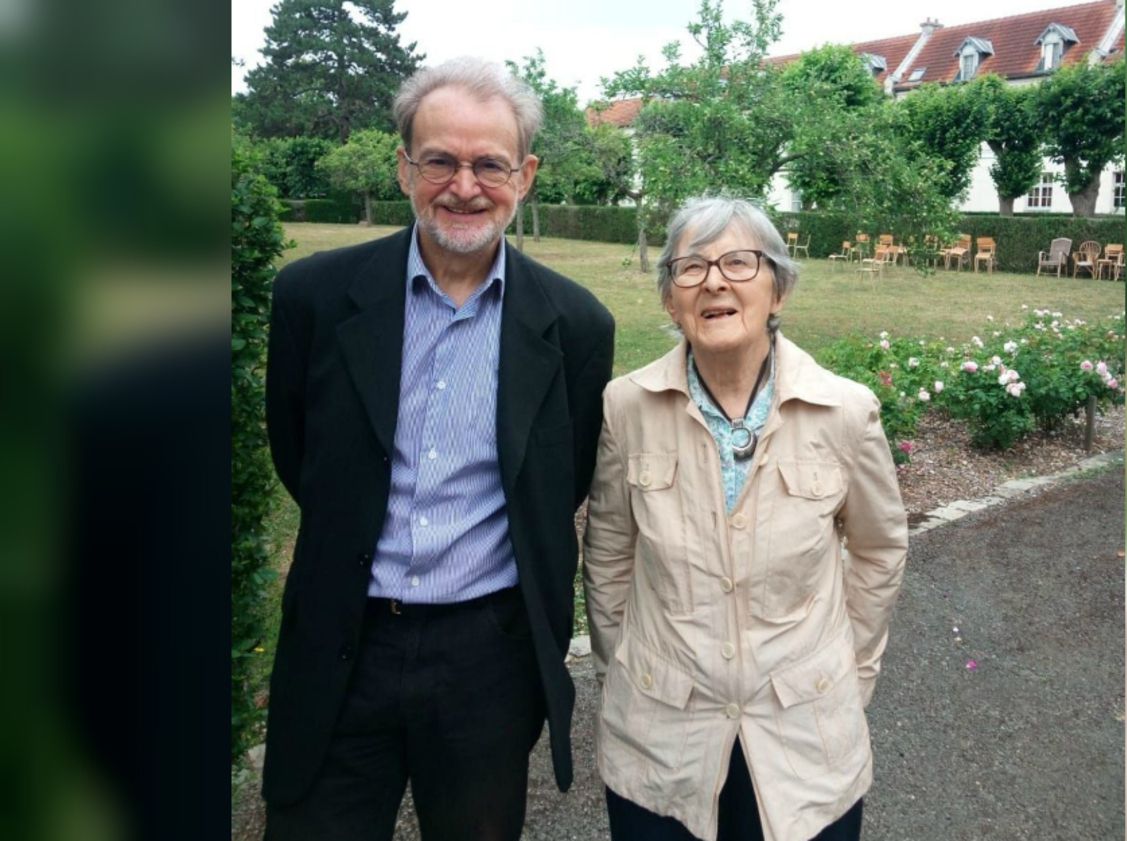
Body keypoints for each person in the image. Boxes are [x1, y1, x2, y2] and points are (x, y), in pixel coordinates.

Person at [262, 57, 615, 840]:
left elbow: (559, 482)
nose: (464, 185)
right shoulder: (313, 297)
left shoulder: (577, 327)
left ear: (524, 174)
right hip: (341, 640)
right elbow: (301, 455)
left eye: (489, 163)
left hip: (486, 661)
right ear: (403, 168)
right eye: (440, 161)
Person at [583, 197, 907, 841]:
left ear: (778, 288)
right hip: (660, 740)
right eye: (690, 267)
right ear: (670, 302)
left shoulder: (844, 411)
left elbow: (878, 550)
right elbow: (609, 552)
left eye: (739, 262)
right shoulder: (627, 407)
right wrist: (624, 667)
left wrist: (851, 669)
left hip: (805, 746)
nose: (714, 282)